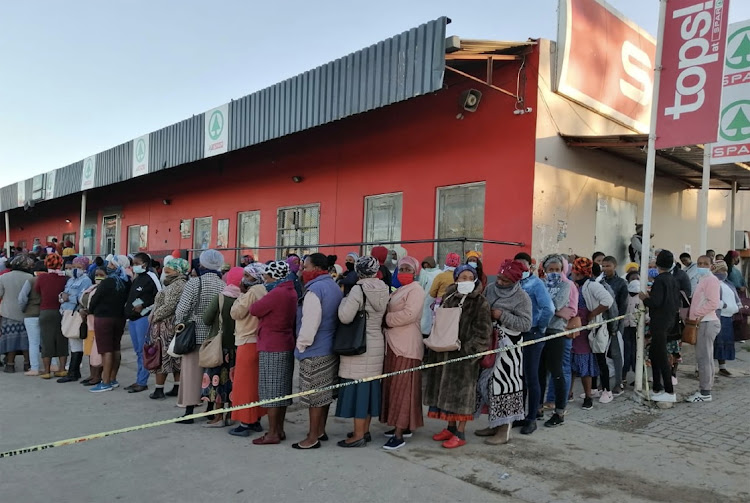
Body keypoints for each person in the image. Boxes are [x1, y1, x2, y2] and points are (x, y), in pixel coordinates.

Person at [424, 264, 492, 448]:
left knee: (462, 396)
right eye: (463, 277)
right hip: (443, 353)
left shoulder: (480, 302)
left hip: (463, 358)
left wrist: (469, 352)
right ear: (456, 279)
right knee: (445, 393)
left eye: (470, 277)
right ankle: (450, 427)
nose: (466, 281)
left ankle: (460, 433)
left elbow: (484, 332)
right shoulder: (448, 297)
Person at [474, 260, 532, 445]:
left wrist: (502, 316)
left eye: (505, 280)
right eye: (499, 277)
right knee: (486, 384)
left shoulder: (522, 297)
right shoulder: (490, 288)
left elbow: (526, 324)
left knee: (503, 386)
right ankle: (494, 423)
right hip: (489, 343)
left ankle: (504, 430)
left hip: (509, 350)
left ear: (514, 281)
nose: (500, 282)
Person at [335, 256, 390, 447]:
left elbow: (345, 317)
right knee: (368, 390)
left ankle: (357, 435)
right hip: (376, 341)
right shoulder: (384, 288)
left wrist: (343, 301)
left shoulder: (358, 289)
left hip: (359, 342)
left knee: (357, 391)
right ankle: (365, 431)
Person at [292, 253, 343, 449]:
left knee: (314, 397)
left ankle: (312, 437)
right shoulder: (333, 285)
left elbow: (310, 322)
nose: (302, 271)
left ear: (316, 269)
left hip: (315, 348)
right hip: (331, 346)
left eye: (305, 267)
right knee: (324, 394)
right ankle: (320, 430)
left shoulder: (314, 290)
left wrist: (301, 345)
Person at [174, 249, 226, 422]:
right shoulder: (223, 284)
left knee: (191, 374)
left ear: (202, 264)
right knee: (210, 374)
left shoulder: (195, 283)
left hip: (193, 334)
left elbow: (182, 310)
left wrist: (179, 324)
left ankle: (189, 412)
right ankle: (210, 409)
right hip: (214, 337)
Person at [250, 261, 298, 445]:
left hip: (272, 344)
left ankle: (272, 433)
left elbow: (254, 309)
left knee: (271, 392)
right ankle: (279, 429)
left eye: (267, 277)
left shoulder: (277, 293)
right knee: (282, 391)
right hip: (285, 341)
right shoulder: (290, 290)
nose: (265, 281)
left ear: (274, 277)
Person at [380, 256, 425, 450]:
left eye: (408, 268)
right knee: (394, 388)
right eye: (401, 268)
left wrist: (386, 319)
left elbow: (410, 314)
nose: (404, 271)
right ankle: (402, 425)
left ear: (415, 271)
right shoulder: (400, 289)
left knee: (403, 389)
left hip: (406, 346)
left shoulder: (416, 290)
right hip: (393, 345)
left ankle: (399, 434)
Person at [514, 252, 554, 433]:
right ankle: (520, 415)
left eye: (524, 266)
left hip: (533, 334)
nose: (521, 269)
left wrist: (539, 327)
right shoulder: (514, 283)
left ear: (530, 267)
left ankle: (532, 418)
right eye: (518, 266)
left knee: (532, 377)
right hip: (517, 334)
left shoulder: (536, 284)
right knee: (519, 378)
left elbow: (549, 308)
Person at [228, 263, 268, 437]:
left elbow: (235, 313)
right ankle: (256, 418)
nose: (244, 278)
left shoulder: (251, 293)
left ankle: (246, 422)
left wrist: (240, 295)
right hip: (257, 339)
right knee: (254, 384)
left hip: (247, 340)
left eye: (248, 275)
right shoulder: (263, 290)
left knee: (244, 384)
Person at [200, 266, 243, 427]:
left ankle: (217, 417)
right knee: (232, 382)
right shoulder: (243, 298)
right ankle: (230, 416)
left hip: (218, 348)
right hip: (236, 347)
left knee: (216, 381)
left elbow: (206, 319)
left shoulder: (220, 298)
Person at [639, 250, 680, 403]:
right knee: (655, 354)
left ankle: (669, 391)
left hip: (659, 323)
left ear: (657, 263)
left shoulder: (660, 280)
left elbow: (655, 302)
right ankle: (657, 386)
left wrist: (644, 298)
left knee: (661, 357)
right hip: (669, 321)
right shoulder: (673, 279)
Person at [570, 258, 611, 410]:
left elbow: (608, 300)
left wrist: (592, 314)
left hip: (585, 329)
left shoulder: (592, 285)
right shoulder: (574, 285)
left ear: (579, 272)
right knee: (571, 362)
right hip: (573, 327)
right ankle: (569, 393)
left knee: (583, 361)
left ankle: (588, 396)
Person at [537, 255, 573, 428]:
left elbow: (556, 305)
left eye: (557, 270)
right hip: (539, 331)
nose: (553, 273)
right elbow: (535, 304)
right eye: (550, 270)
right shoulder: (540, 284)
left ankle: (559, 411)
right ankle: (537, 408)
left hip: (556, 332)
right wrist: (545, 307)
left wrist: (545, 306)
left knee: (557, 371)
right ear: (544, 270)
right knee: (539, 372)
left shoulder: (566, 285)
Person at [88, 255, 131, 392]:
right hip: (119, 317)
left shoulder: (107, 282)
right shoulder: (126, 282)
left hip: (103, 318)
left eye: (112, 265)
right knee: (115, 348)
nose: (109, 266)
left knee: (105, 350)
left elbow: (95, 299)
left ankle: (105, 381)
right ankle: (112, 378)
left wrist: (90, 310)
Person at [147, 258, 189, 400]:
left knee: (162, 357)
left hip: (166, 326)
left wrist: (154, 316)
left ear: (177, 271)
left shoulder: (175, 286)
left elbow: (169, 306)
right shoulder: (181, 284)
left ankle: (159, 389)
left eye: (168, 270)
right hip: (174, 325)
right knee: (175, 357)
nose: (165, 272)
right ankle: (177, 387)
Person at [122, 253, 161, 394]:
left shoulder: (151, 278)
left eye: (136, 263)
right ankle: (139, 379)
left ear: (144, 264)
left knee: (144, 350)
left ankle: (142, 381)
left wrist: (145, 308)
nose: (134, 265)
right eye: (133, 263)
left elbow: (160, 298)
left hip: (143, 319)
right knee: (138, 351)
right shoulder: (137, 278)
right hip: (132, 319)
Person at [684, 255, 721, 403]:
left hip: (706, 322)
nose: (702, 266)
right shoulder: (703, 280)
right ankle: (706, 389)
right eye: (699, 263)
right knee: (706, 358)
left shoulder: (711, 280)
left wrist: (697, 314)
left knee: (703, 358)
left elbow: (713, 303)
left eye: (705, 263)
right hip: (703, 322)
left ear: (711, 266)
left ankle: (705, 392)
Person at [57, 256, 93, 383]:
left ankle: (73, 371)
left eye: (79, 267)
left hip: (76, 313)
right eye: (73, 267)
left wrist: (68, 298)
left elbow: (83, 298)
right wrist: (62, 297)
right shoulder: (70, 280)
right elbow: (63, 294)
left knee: (75, 340)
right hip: (66, 312)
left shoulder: (86, 280)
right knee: (72, 341)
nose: (75, 270)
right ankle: (74, 371)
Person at [35, 253, 69, 380]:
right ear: (61, 264)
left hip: (46, 311)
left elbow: (37, 291)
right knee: (62, 340)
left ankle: (47, 371)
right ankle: (61, 369)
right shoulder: (65, 278)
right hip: (61, 312)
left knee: (46, 341)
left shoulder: (42, 278)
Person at [0, 254, 33, 373]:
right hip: (26, 312)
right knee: (26, 340)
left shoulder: (4, 277)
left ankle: (10, 364)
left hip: (8, 312)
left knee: (10, 340)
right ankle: (27, 364)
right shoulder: (30, 277)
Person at [600, 256, 628, 395]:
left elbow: (623, 306)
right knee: (601, 353)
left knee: (617, 354)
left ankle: (618, 383)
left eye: (608, 266)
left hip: (616, 323)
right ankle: (602, 383)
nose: (605, 269)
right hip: (601, 322)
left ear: (615, 266)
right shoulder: (600, 281)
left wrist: (616, 325)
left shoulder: (621, 283)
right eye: (603, 266)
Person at [18, 260, 47, 375]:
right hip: (45, 312)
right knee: (47, 341)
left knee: (33, 343)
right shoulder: (49, 280)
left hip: (31, 314)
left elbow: (22, 298)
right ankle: (52, 365)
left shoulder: (30, 280)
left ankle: (34, 368)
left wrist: (24, 309)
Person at [711, 260, 740, 377]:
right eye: (721, 270)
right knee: (715, 343)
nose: (724, 273)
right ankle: (705, 367)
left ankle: (722, 367)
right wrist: (723, 305)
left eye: (725, 270)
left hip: (728, 318)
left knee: (724, 343)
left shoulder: (729, 284)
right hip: (718, 317)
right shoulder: (713, 284)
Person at [79, 267, 106, 386]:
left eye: (101, 274)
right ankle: (92, 375)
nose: (98, 276)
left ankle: (98, 376)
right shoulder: (92, 287)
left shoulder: (105, 289)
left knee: (97, 351)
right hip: (88, 321)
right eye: (96, 274)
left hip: (98, 322)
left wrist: (89, 311)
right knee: (90, 349)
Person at [622, 279, 646, 384]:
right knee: (626, 353)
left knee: (637, 354)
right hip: (626, 328)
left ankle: (639, 379)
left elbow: (646, 316)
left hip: (637, 329)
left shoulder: (641, 299)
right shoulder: (626, 298)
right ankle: (623, 377)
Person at [419, 256, 442, 336]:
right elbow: (421, 286)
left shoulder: (439, 273)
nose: (426, 267)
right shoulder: (423, 273)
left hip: (435, 299)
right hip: (425, 299)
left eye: (428, 265)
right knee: (425, 318)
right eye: (425, 265)